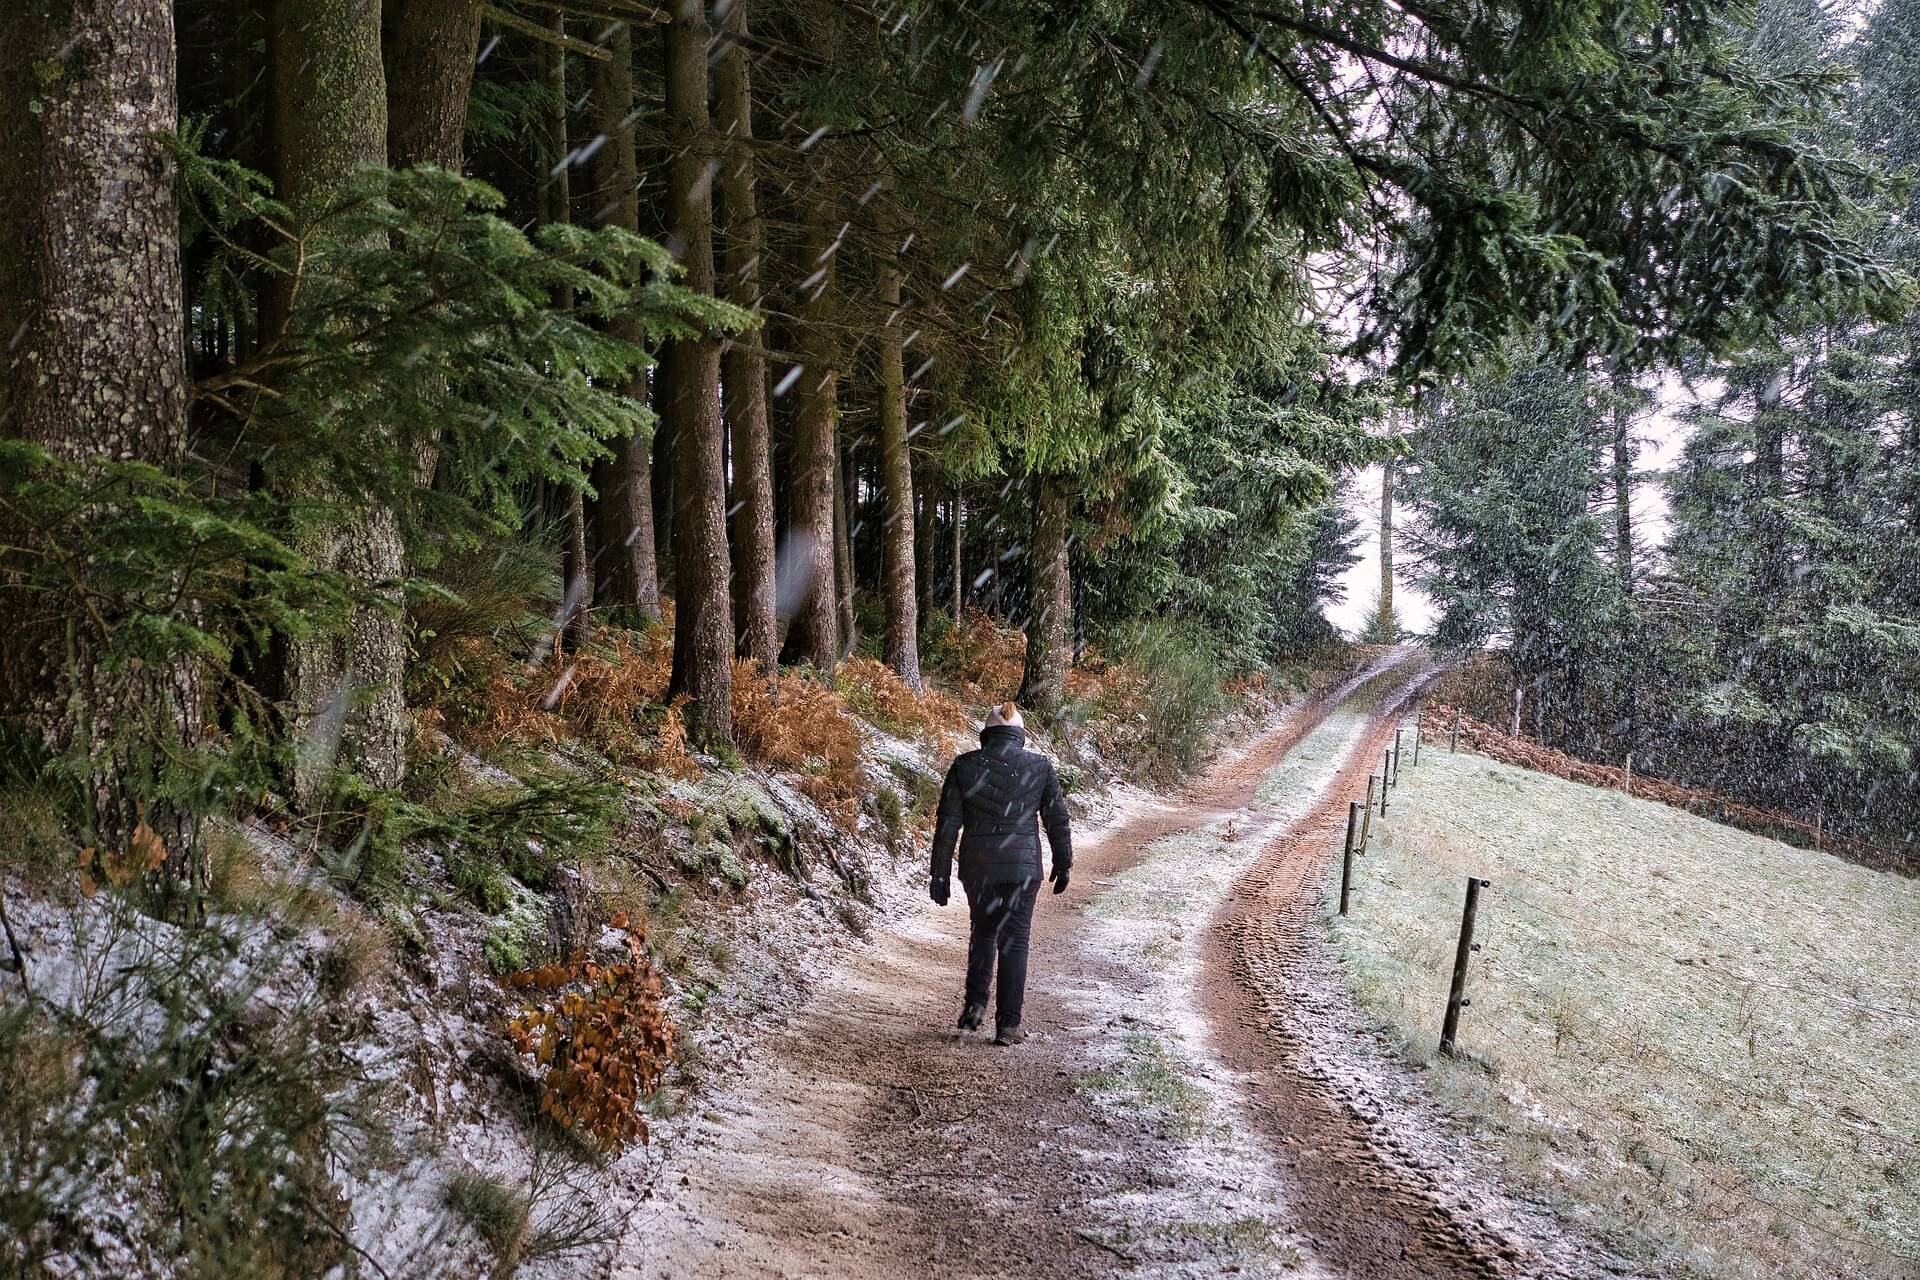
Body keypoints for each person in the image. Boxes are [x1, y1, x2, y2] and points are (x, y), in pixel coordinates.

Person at [928, 701, 1072, 1046]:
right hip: (1022, 868)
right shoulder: (1038, 766)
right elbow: (1057, 818)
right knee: (1015, 941)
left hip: (979, 866)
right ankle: (1008, 1025)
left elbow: (947, 825)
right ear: (1019, 735)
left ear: (987, 734)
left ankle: (975, 1007)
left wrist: (940, 874)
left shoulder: (965, 766)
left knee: (983, 932)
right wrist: (1063, 862)